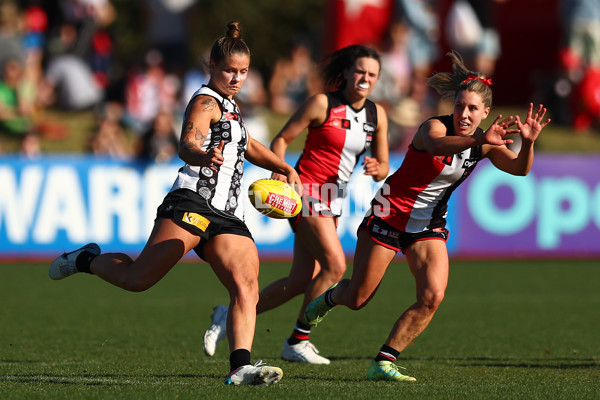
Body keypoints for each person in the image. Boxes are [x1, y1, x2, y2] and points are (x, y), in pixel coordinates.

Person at [48, 21, 301, 387]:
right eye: (230, 70)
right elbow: (186, 144)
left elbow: (245, 144)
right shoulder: (204, 102)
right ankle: (85, 259)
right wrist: (201, 156)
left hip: (228, 214)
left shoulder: (232, 106)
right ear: (212, 67)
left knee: (247, 286)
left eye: (243, 72)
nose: (236, 78)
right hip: (193, 202)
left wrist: (281, 164)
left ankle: (240, 367)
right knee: (138, 280)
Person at [303, 50, 551, 382]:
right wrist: (480, 138)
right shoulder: (434, 126)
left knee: (433, 295)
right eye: (460, 105)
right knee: (358, 297)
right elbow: (436, 147)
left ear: (486, 112)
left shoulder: (485, 142)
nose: (463, 113)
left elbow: (519, 170)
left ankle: (383, 361)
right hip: (389, 215)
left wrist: (529, 144)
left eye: (472, 109)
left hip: (429, 224)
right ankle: (333, 296)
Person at [203, 44, 390, 365]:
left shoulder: (377, 115)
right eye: (359, 71)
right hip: (305, 193)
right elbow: (281, 139)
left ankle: (228, 313)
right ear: (346, 72)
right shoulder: (322, 103)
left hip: (333, 201)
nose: (365, 78)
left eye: (372, 74)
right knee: (335, 266)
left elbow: (384, 165)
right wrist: (279, 169)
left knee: (301, 280)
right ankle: (297, 340)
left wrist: (377, 169)